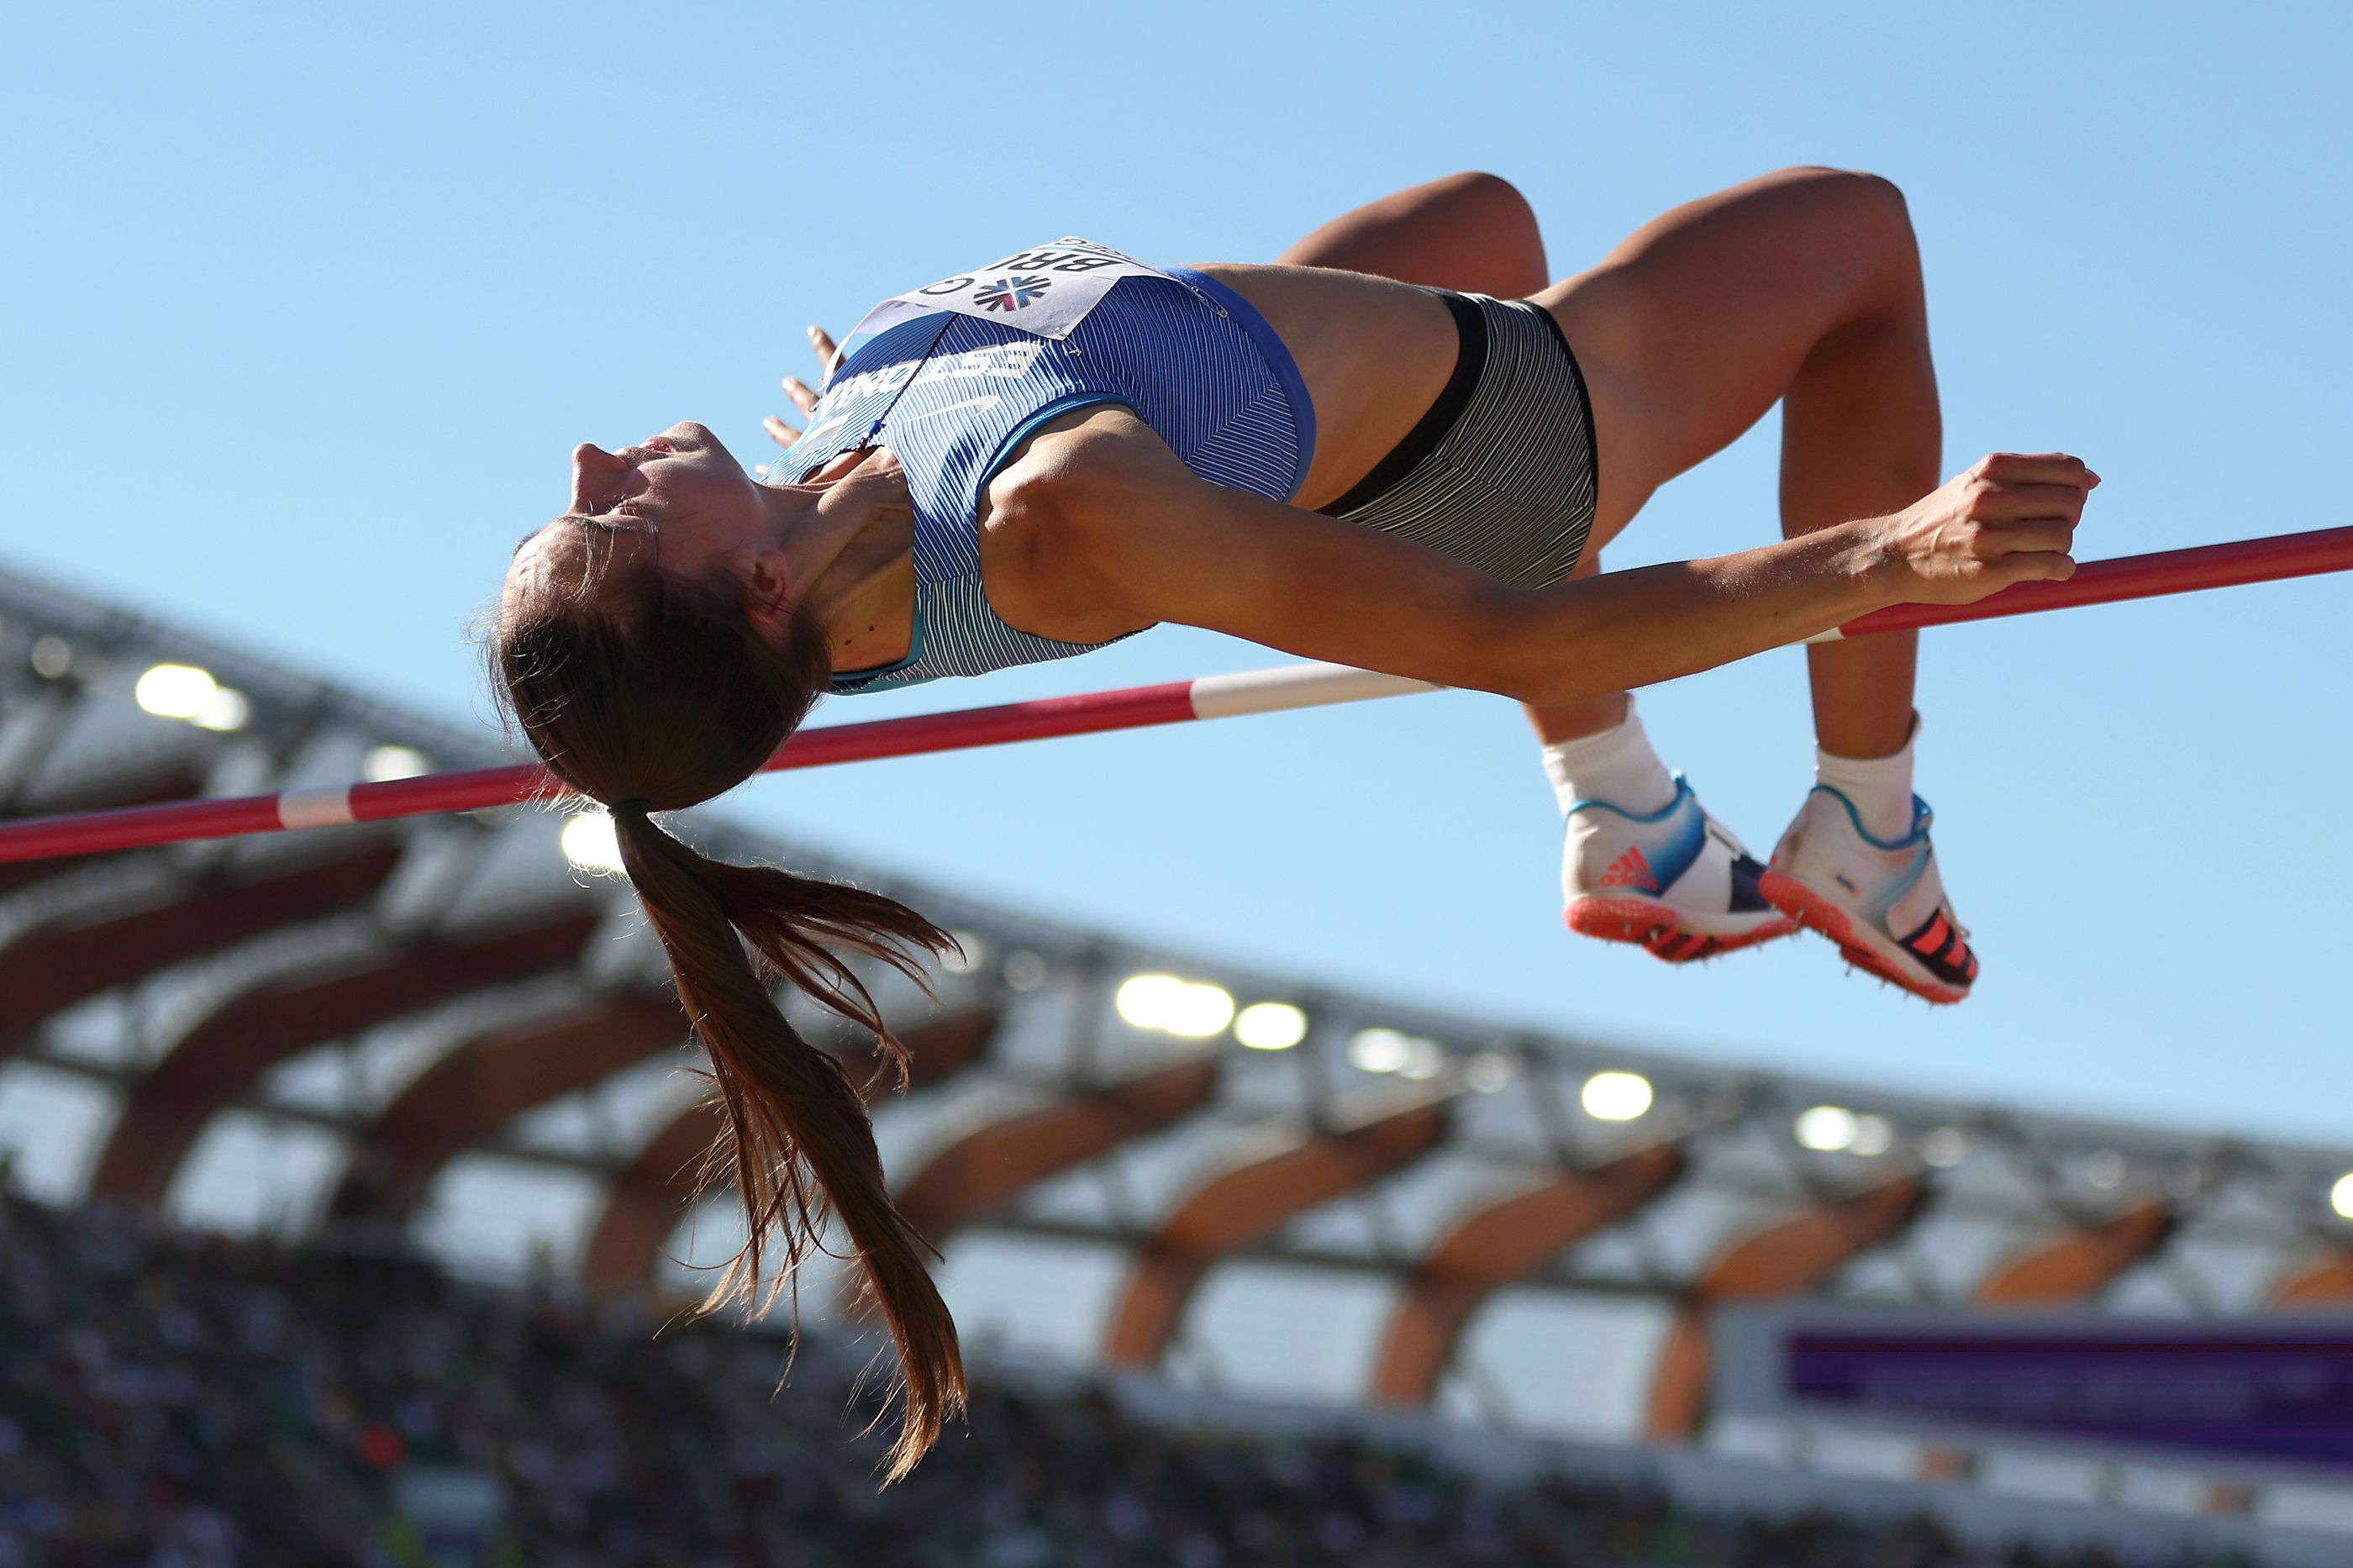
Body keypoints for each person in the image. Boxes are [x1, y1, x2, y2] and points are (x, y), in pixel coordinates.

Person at [492, 167, 2097, 1476]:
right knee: (1862, 238)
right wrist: (1888, 556)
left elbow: (744, 641)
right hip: (1508, 451)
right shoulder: (1050, 514)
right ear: (762, 591)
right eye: (602, 523)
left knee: (1483, 219)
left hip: (1248, 405)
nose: (583, 463)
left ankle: (1633, 821)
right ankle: (1868, 830)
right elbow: (1500, 639)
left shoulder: (813, 504)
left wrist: (823, 460)